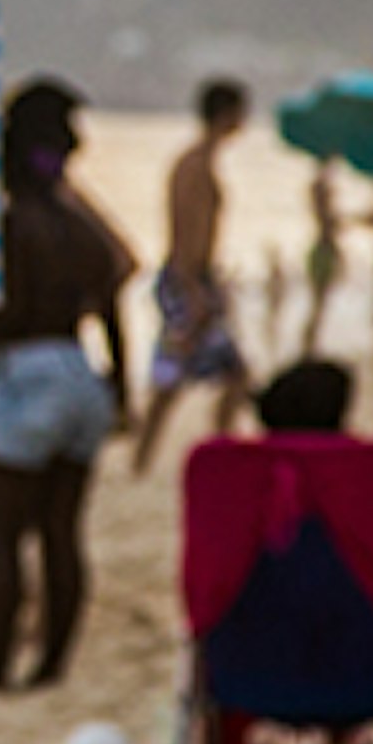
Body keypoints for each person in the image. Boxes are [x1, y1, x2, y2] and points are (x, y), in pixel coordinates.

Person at [0, 77, 136, 690]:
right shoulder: (80, 227)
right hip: (82, 375)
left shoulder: (15, 225)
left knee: (4, 538)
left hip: (28, 379)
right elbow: (115, 292)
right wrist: (124, 389)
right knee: (63, 534)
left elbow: (6, 317)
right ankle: (51, 666)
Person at [130, 79, 252, 473]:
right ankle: (147, 460)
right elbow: (184, 232)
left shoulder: (201, 162)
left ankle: (204, 452)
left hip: (196, 279)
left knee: (218, 377)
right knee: (185, 379)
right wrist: (192, 288)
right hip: (187, 280)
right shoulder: (194, 166)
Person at [299, 165, 348, 359]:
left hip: (323, 251)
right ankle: (309, 346)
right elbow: (331, 225)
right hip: (324, 252)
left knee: (318, 305)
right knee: (318, 304)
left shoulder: (320, 204)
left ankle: (310, 345)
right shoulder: (323, 207)